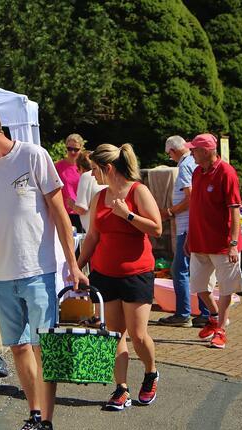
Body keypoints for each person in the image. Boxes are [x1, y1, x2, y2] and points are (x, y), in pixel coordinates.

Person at [0, 104, 86, 430]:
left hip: (39, 271)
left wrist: (73, 265)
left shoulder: (33, 156)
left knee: (45, 350)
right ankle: (35, 414)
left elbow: (61, 215)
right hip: (2, 277)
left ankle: (48, 427)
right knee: (19, 347)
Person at [77, 143, 162, 412]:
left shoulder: (139, 191)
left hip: (136, 274)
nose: (91, 176)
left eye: (94, 170)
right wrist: (78, 267)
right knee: (114, 335)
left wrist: (128, 215)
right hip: (104, 274)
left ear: (108, 168)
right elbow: (92, 236)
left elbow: (157, 228)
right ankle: (121, 388)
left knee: (138, 335)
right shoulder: (99, 197)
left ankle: (150, 373)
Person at [185, 133, 242, 349]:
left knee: (227, 287)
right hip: (200, 241)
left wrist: (232, 243)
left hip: (222, 243)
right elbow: (195, 207)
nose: (191, 153)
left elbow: (235, 210)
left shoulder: (226, 172)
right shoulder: (197, 173)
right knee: (199, 286)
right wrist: (189, 236)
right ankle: (215, 316)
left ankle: (221, 329)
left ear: (206, 151)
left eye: (194, 149)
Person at [157, 136, 210, 328]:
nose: (169, 158)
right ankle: (204, 313)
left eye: (169, 154)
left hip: (186, 227)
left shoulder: (186, 166)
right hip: (191, 225)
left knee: (179, 270)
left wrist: (170, 212)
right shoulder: (190, 164)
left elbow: (191, 198)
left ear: (173, 150)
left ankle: (183, 313)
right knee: (197, 269)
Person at [55, 134, 85, 232]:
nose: (72, 152)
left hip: (82, 213)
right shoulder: (57, 166)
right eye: (69, 148)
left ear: (81, 149)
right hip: (63, 213)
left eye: (76, 149)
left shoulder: (86, 167)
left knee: (80, 245)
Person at [73, 150, 106, 234]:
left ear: (81, 167)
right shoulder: (106, 175)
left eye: (78, 170)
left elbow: (81, 209)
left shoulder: (86, 176)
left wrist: (71, 204)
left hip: (94, 232)